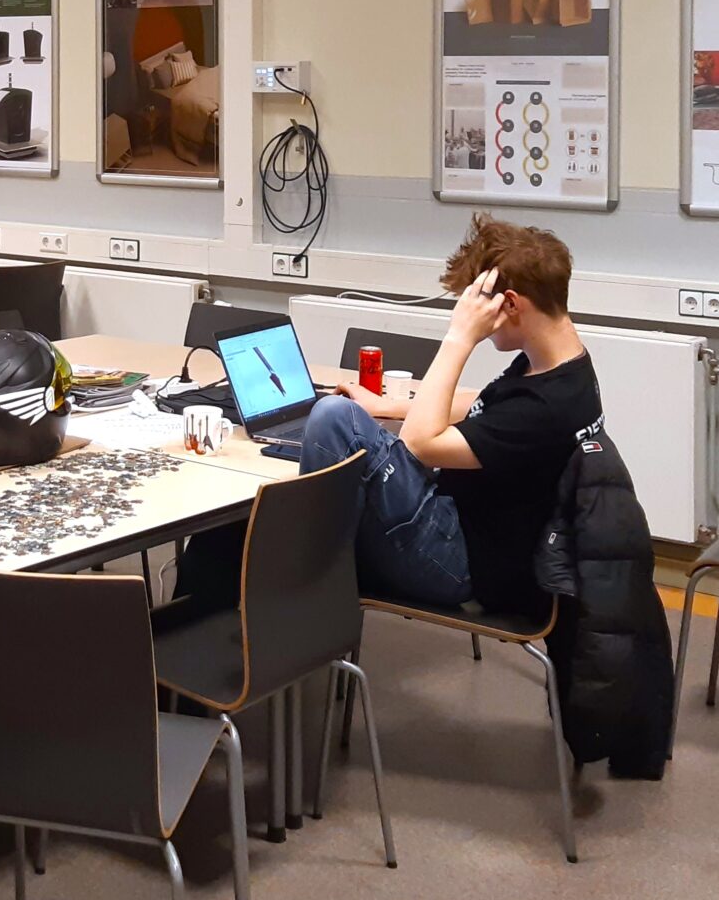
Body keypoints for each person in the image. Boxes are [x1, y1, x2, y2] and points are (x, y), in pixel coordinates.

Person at [176, 217, 603, 613]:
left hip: (456, 561)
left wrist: (459, 337)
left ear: (509, 304)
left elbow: (419, 444)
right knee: (229, 536)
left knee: (334, 417)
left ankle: (309, 583)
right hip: (461, 527)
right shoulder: (563, 369)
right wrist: (388, 407)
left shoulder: (549, 405)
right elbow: (488, 403)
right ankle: (284, 570)